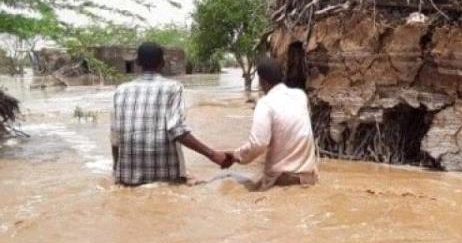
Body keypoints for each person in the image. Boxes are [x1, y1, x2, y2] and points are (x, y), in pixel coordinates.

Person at [111, 42, 232, 186]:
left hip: (127, 178)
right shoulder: (173, 88)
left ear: (137, 63)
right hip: (165, 176)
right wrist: (212, 155)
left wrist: (117, 171)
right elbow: (176, 129)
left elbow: (115, 136)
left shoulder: (121, 91)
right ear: (162, 63)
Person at [227, 57, 318, 190]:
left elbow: (259, 144)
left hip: (282, 182)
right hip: (310, 179)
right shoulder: (300, 96)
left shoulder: (265, 103)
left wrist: (236, 156)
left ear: (262, 81)